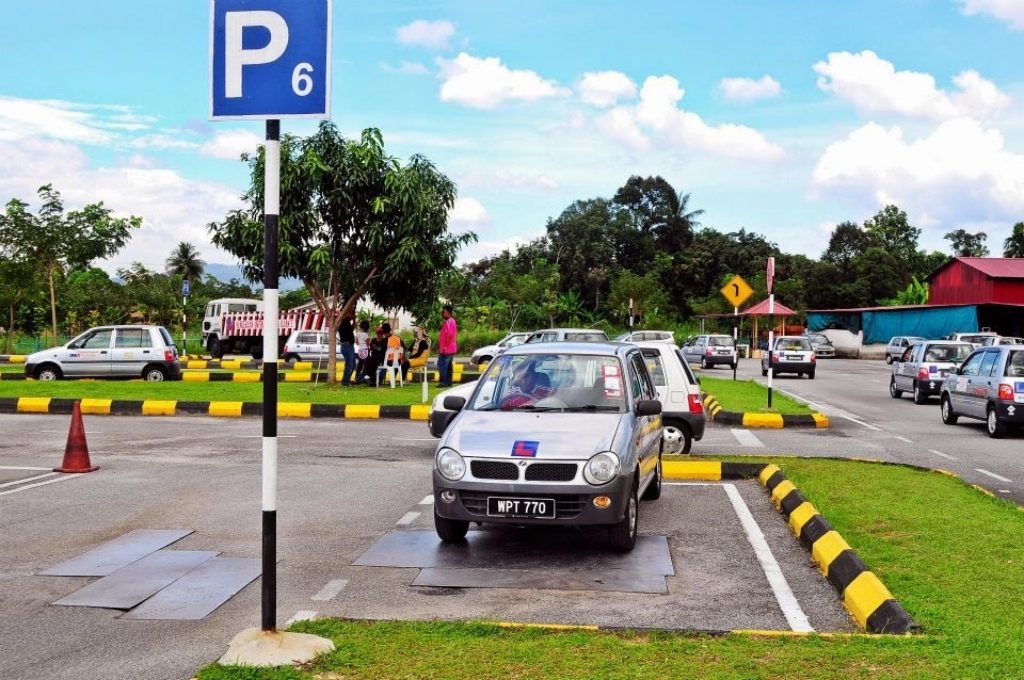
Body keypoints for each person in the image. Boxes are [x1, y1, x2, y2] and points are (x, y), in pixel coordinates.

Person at [437, 305, 458, 387]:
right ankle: (448, 382)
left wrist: (445, 347)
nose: (443, 313)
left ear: (448, 312)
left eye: (444, 311)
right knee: (448, 366)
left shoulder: (450, 321)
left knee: (442, 364)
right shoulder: (447, 322)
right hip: (445, 348)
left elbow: (450, 335)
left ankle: (444, 382)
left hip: (447, 349)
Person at [339, 309, 356, 385]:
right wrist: (352, 317)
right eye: (351, 313)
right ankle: (345, 381)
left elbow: (352, 328)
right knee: (349, 365)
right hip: (347, 345)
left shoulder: (347, 322)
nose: (352, 315)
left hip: (349, 346)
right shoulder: (344, 321)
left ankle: (346, 379)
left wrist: (354, 319)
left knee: (352, 365)